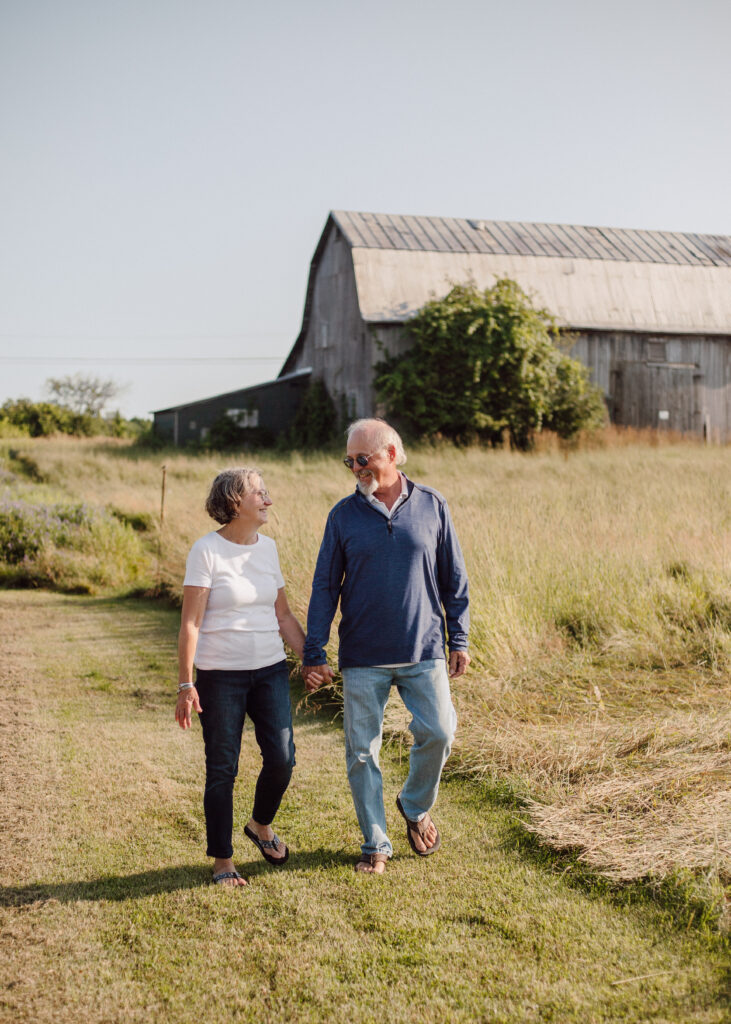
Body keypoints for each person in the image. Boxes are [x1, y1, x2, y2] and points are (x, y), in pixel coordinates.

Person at [302, 418, 470, 874]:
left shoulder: (433, 505)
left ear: (391, 454)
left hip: (424, 648)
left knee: (440, 732)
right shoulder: (342, 516)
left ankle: (414, 805)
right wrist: (314, 650)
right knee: (362, 753)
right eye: (349, 461)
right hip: (363, 655)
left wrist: (459, 637)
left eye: (363, 458)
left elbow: (454, 579)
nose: (356, 468)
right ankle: (375, 844)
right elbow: (324, 587)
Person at [175, 467, 317, 888]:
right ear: (235, 502)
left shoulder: (268, 549)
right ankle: (222, 860)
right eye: (260, 493)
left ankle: (260, 824)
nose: (268, 500)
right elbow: (190, 624)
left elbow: (283, 615)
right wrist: (186, 684)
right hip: (220, 677)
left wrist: (311, 659)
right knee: (223, 768)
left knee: (282, 758)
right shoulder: (206, 551)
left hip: (270, 671)